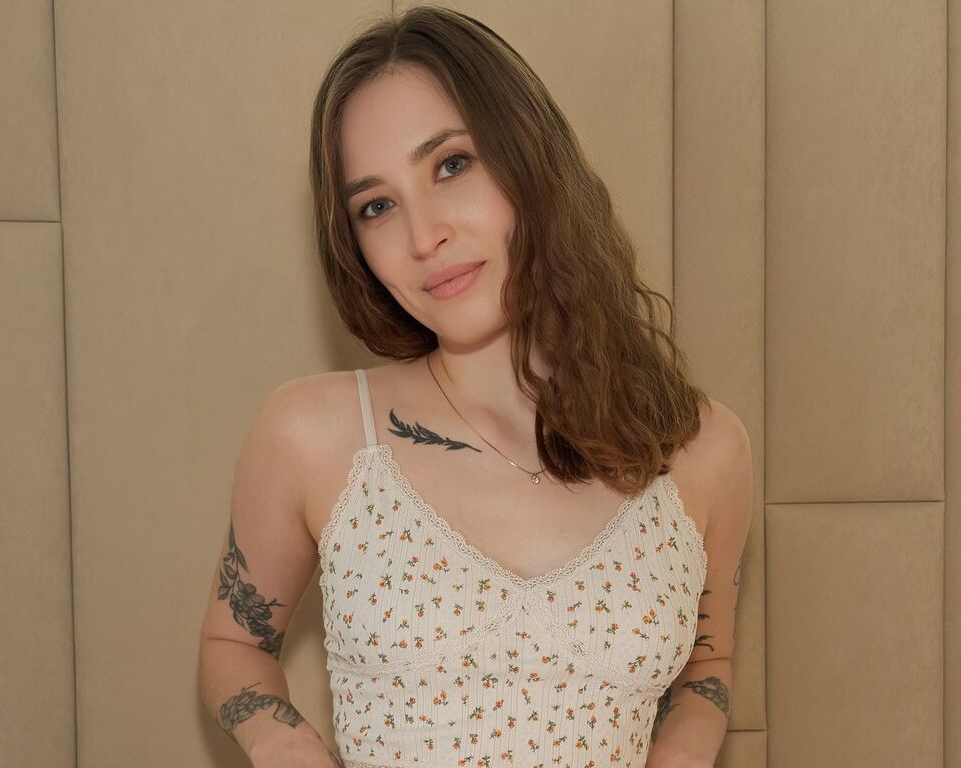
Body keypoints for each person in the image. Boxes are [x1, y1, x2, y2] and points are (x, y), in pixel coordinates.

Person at [197, 5, 753, 768]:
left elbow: (708, 664)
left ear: (529, 157)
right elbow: (232, 643)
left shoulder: (703, 451)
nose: (423, 235)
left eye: (451, 165)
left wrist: (683, 752)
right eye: (376, 206)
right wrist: (279, 742)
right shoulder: (312, 437)